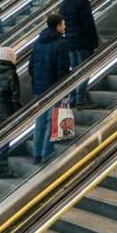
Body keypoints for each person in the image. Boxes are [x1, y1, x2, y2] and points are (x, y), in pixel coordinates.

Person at [30, 14, 72, 166]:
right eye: (63, 24)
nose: (65, 26)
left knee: (40, 120)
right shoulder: (61, 43)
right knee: (52, 119)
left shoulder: (38, 42)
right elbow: (62, 69)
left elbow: (30, 67)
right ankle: (47, 153)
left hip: (39, 88)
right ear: (58, 26)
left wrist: (37, 81)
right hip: (54, 87)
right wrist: (64, 87)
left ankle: (36, 154)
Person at [59, 0, 99, 109]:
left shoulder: (64, 4)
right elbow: (88, 24)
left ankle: (73, 100)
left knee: (73, 72)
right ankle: (81, 100)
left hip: (69, 42)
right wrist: (94, 42)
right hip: (83, 43)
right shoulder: (83, 2)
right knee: (84, 72)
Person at [0, 47, 26, 178]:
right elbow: (14, 98)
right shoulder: (11, 74)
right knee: (5, 141)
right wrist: (20, 112)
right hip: (5, 111)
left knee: (0, 140)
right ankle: (2, 169)